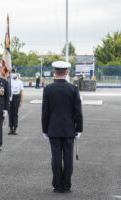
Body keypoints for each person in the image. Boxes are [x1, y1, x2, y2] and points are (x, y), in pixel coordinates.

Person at [42, 61, 83, 193]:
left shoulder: (48, 89)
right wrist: (79, 129)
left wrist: (44, 129)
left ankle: (57, 185)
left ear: (55, 72)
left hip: (53, 129)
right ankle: (67, 186)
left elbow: (45, 111)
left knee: (56, 158)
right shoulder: (73, 89)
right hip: (69, 129)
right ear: (67, 72)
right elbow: (78, 111)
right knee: (68, 158)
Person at [8, 69, 24, 135]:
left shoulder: (19, 82)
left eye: (15, 72)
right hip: (9, 98)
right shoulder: (8, 81)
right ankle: (10, 128)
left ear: (17, 73)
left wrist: (21, 101)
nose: (13, 73)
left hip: (16, 98)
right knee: (10, 113)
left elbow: (21, 92)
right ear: (10, 73)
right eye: (12, 72)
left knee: (15, 113)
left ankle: (15, 128)